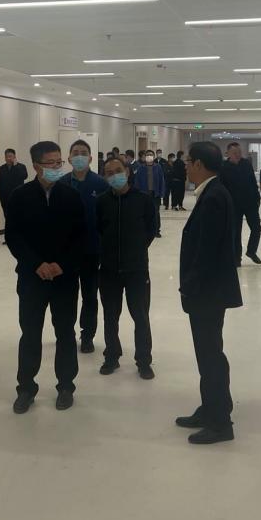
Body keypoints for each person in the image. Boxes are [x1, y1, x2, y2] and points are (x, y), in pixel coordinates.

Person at [6, 141, 86, 414]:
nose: (56, 167)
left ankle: (66, 386)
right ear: (36, 166)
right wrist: (36, 264)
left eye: (58, 162)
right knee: (30, 333)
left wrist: (63, 264)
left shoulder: (71, 196)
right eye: (50, 163)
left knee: (65, 332)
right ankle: (26, 388)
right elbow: (14, 236)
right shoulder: (20, 196)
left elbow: (80, 236)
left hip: (64, 278)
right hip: (32, 278)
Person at [175, 141, 241, 444]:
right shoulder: (213, 192)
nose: (186, 167)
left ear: (199, 164)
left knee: (210, 355)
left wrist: (190, 285)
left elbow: (207, 252)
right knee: (208, 353)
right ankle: (211, 407)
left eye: (189, 162)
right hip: (209, 290)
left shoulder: (214, 196)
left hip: (207, 292)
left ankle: (220, 423)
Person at [97, 157, 156, 378]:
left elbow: (151, 229)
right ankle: (111, 356)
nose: (114, 175)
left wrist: (136, 249)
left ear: (128, 171)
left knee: (140, 316)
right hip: (109, 269)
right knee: (110, 316)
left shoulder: (143, 200)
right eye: (109, 173)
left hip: (137, 270)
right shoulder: (101, 201)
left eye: (118, 170)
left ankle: (144, 360)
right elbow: (98, 229)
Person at [59, 139, 109, 354]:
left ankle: (87, 335)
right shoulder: (61, 184)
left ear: (90, 158)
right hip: (66, 253)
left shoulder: (101, 184)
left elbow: (106, 219)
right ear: (69, 158)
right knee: (67, 296)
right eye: (75, 152)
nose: (79, 156)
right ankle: (65, 333)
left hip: (92, 250)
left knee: (90, 296)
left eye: (83, 152)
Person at [219, 142, 261, 265]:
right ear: (228, 153)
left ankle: (251, 251)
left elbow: (252, 181)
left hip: (250, 202)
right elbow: (221, 186)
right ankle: (236, 258)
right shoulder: (223, 167)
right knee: (236, 232)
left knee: (256, 228)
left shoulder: (246, 164)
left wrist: (257, 197)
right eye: (234, 153)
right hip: (233, 204)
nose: (237, 154)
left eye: (239, 152)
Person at [0, 148, 28, 243]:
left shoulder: (21, 166)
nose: (8, 158)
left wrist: (16, 165)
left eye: (10, 156)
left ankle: (20, 237)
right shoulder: (2, 168)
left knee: (18, 217)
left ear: (14, 157)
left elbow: (24, 176)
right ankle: (9, 238)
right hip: (5, 197)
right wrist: (0, 194)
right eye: (7, 156)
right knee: (8, 218)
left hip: (18, 197)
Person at [132, 149, 165, 238]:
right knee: (144, 212)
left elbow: (161, 180)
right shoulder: (141, 168)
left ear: (153, 157)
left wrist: (162, 192)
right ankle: (145, 229)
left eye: (151, 155)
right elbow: (137, 181)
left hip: (155, 194)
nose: (149, 156)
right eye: (147, 155)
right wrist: (137, 192)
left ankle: (156, 230)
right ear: (145, 157)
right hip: (144, 193)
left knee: (156, 212)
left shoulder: (158, 167)